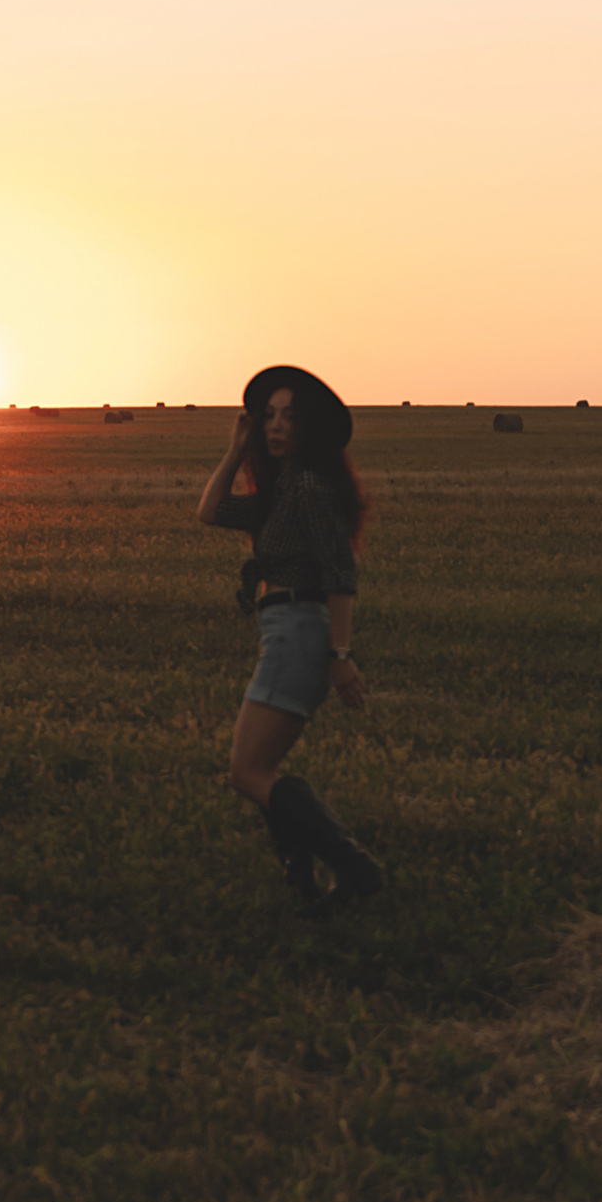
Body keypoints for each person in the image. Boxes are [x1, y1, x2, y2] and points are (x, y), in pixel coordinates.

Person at [195, 365, 385, 911]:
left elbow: (339, 572)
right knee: (259, 770)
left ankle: (352, 865)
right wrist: (235, 450)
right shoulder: (280, 489)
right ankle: (302, 880)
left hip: (300, 630)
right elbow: (208, 512)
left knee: (246, 771)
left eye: (289, 418)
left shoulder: (306, 486)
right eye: (268, 417)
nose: (276, 427)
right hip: (284, 628)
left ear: (310, 428)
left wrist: (341, 656)